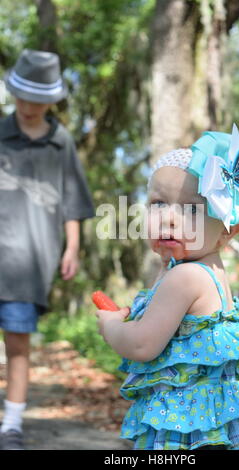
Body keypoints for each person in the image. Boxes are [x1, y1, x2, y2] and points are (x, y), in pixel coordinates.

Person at [95, 124, 239, 450]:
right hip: (219, 425)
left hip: (196, 435)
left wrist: (112, 327)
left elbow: (143, 345)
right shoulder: (204, 271)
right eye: (158, 203)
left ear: (228, 232)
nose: (169, 218)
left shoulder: (185, 278)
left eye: (191, 209)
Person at [0, 49, 94, 450]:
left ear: (51, 101)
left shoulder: (61, 143)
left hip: (30, 261)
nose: (28, 107)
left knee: (18, 340)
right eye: (22, 98)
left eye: (37, 101)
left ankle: (12, 424)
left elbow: (73, 201)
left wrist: (71, 248)